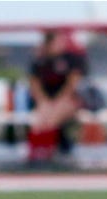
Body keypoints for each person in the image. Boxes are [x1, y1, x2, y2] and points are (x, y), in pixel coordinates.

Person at [26, 29, 86, 167]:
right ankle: (35, 154)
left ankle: (47, 154)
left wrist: (56, 103)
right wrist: (44, 102)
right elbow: (34, 85)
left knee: (52, 118)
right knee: (39, 121)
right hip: (47, 101)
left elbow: (72, 85)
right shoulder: (40, 60)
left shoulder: (71, 59)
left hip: (67, 101)